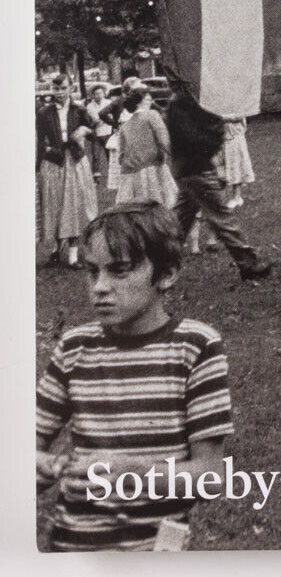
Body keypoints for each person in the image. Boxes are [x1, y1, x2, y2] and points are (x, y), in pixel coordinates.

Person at [36, 202, 234, 551]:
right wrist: (48, 466)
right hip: (70, 550)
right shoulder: (74, 348)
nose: (99, 287)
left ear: (167, 274)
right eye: (91, 271)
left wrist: (134, 473)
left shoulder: (195, 348)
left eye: (119, 271)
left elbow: (210, 476)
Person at [165, 90, 272, 281]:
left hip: (186, 172)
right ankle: (249, 264)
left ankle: (159, 262)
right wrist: (216, 128)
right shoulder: (184, 105)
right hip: (196, 171)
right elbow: (196, 139)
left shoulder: (178, 104)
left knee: (181, 220)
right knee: (221, 216)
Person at [36, 75, 96, 269]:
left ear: (71, 88)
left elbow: (95, 130)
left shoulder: (80, 110)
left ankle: (72, 254)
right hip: (53, 162)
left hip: (75, 159)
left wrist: (85, 130)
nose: (59, 93)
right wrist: (45, 153)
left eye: (63, 88)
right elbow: (38, 139)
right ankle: (55, 248)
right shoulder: (44, 112)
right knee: (53, 204)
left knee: (74, 204)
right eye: (56, 89)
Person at [115, 84, 178, 207]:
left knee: (135, 207)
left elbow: (121, 156)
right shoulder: (152, 115)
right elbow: (164, 141)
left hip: (130, 173)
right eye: (149, 99)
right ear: (141, 102)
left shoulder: (124, 126)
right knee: (163, 204)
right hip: (152, 167)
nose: (151, 102)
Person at [219, 117, 255, 208]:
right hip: (220, 136)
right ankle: (221, 196)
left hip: (234, 136)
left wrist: (224, 117)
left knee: (235, 166)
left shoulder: (237, 104)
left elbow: (239, 115)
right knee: (220, 167)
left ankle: (237, 197)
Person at [84, 85, 112, 181]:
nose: (99, 95)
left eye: (100, 93)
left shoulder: (109, 103)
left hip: (108, 131)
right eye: (96, 94)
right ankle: (96, 176)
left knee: (110, 154)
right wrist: (104, 118)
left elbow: (111, 117)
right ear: (93, 95)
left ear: (104, 94)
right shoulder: (90, 106)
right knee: (96, 155)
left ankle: (112, 175)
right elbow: (95, 120)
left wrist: (103, 118)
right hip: (96, 133)